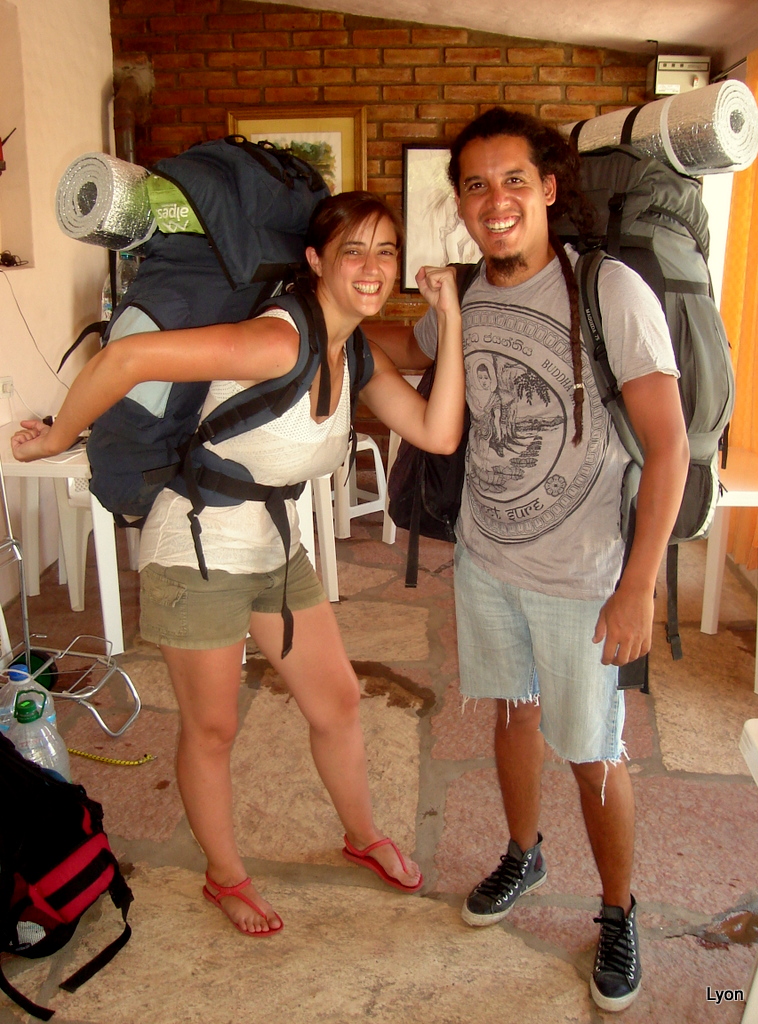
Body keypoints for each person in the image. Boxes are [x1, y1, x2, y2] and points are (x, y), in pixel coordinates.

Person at [13, 192, 465, 938]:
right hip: (196, 550)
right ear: (316, 260)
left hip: (272, 547)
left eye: (385, 251)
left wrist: (450, 318)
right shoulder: (278, 340)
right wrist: (59, 436)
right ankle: (224, 877)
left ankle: (362, 835)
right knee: (213, 728)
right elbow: (127, 358)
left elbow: (437, 432)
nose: (373, 267)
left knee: (338, 702)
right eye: (353, 251)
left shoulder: (352, 350)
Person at [366, 110, 689, 1012]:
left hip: (584, 579)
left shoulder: (607, 290)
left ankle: (618, 911)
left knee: (593, 752)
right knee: (513, 715)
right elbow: (410, 350)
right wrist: (332, 320)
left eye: (513, 179)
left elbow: (669, 449)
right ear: (460, 203)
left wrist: (638, 586)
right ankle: (524, 853)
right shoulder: (467, 294)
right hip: (486, 560)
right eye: (475, 184)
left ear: (548, 188)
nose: (494, 200)